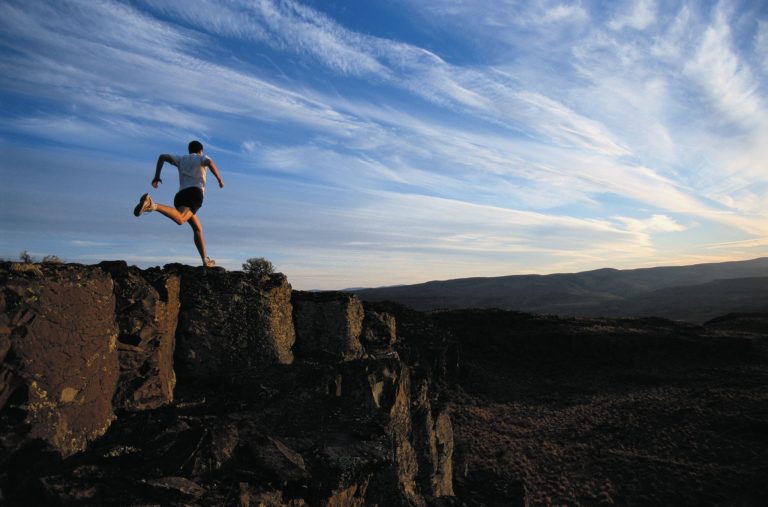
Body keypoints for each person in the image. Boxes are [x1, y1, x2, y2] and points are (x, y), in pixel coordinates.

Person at [133, 140, 224, 267]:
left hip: (180, 196)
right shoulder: (202, 158)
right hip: (194, 194)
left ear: (189, 150)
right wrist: (219, 179)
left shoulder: (182, 159)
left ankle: (205, 260)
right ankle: (152, 205)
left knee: (197, 228)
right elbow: (210, 162)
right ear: (200, 150)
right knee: (181, 219)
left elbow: (162, 157)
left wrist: (156, 176)